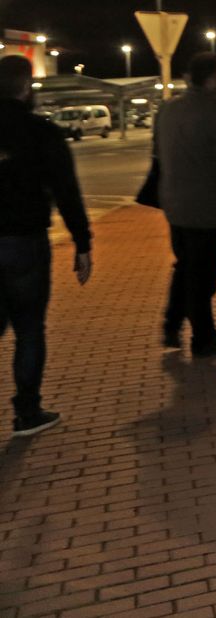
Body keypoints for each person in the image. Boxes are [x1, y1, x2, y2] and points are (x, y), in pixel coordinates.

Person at [0, 54, 93, 436]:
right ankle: (27, 411)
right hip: (24, 242)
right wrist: (82, 243)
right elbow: (66, 191)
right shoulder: (41, 132)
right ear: (26, 88)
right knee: (29, 328)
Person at [155, 53, 216, 358]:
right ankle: (204, 338)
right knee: (203, 276)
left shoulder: (168, 109)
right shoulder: (215, 110)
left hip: (174, 203)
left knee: (185, 267)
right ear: (212, 77)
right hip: (205, 206)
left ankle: (171, 325)